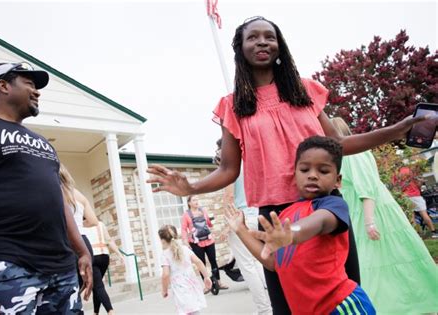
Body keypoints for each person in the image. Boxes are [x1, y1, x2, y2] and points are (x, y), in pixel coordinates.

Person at [147, 16, 423, 314]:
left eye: (270, 36)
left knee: (341, 296)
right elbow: (229, 169)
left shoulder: (305, 91)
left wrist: (396, 129)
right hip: (276, 216)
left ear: (280, 46)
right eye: (253, 37)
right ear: (240, 47)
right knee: (288, 304)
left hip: (323, 207)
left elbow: (337, 145)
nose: (262, 41)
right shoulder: (233, 105)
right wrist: (192, 186)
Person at [0, 62, 92, 314]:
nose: (37, 92)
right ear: (3, 86)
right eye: (29, 84)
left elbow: (57, 199)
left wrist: (82, 250)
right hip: (6, 266)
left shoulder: (43, 142)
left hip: (62, 269)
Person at [225, 136, 376, 314]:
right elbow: (274, 263)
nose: (312, 175)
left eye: (323, 171)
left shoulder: (332, 205)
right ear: (294, 175)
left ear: (338, 180)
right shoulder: (286, 216)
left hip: (341, 306)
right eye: (304, 169)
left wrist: (293, 233)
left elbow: (320, 222)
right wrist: (241, 230)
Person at [331, 118, 438, 313]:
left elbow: (366, 188)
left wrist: (369, 222)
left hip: (368, 211)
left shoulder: (353, 154)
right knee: (384, 260)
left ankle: (388, 306)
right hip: (362, 211)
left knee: (375, 261)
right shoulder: (350, 152)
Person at [215, 139, 272, 315]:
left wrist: (227, 225)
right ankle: (270, 303)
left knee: (247, 266)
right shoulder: (251, 164)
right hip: (256, 214)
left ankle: (264, 309)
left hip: (241, 217)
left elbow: (229, 197)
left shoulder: (231, 168)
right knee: (257, 262)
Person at [159, 225, 212, 315]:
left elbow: (165, 275)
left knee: (185, 311)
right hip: (192, 285)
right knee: (194, 310)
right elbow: (198, 262)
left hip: (180, 289)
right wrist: (206, 276)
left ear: (162, 240)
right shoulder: (185, 249)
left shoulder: (165, 255)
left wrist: (164, 290)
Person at [181, 196, 228, 292]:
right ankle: (207, 286)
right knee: (201, 263)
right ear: (189, 203)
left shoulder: (203, 211)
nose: (196, 201)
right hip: (196, 243)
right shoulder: (186, 215)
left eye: (197, 200)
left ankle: (218, 282)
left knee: (213, 260)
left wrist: (211, 222)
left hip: (209, 240)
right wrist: (185, 242)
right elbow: (183, 229)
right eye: (194, 200)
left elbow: (208, 223)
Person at [83, 220, 125, 315]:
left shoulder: (80, 226)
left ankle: (110, 311)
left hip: (92, 258)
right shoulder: (100, 224)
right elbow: (109, 241)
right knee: (96, 286)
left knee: (98, 286)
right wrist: (119, 254)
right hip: (104, 257)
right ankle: (95, 312)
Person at [395, 165, 438, 237]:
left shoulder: (396, 174)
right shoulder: (412, 171)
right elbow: (418, 184)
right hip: (416, 196)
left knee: (411, 216)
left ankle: (416, 234)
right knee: (424, 214)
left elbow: (396, 187)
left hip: (406, 197)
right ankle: (433, 232)